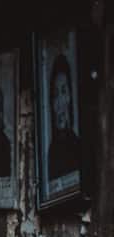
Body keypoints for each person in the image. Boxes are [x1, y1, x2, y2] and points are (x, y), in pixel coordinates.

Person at [46, 52, 80, 180]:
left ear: (70, 96)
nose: (59, 102)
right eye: (55, 94)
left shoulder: (77, 145)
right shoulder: (52, 151)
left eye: (63, 91)